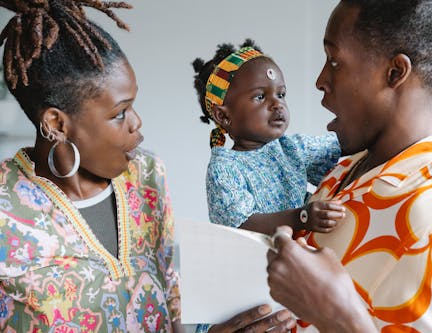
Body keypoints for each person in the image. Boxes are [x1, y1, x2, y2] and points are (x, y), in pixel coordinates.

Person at [0, 1, 294, 332]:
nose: (137, 123)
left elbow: (170, 301)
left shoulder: (146, 175)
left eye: (133, 104)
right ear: (56, 123)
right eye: (119, 113)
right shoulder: (5, 211)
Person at [267, 0, 432, 332]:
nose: (321, 80)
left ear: (395, 72)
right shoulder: (355, 166)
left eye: (335, 61)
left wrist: (339, 316)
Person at [192, 39, 345, 237]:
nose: (277, 104)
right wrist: (302, 218)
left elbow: (344, 145)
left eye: (281, 94)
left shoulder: (290, 148)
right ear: (224, 116)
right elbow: (242, 225)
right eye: (260, 97)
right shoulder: (224, 168)